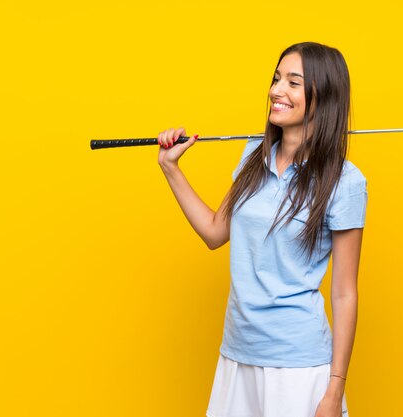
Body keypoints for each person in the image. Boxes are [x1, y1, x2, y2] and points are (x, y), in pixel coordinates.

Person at [156, 42, 367, 417]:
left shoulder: (345, 182)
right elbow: (214, 233)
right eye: (275, 79)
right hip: (237, 354)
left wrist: (335, 390)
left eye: (293, 82)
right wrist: (171, 168)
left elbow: (344, 294)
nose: (276, 91)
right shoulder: (254, 156)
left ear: (324, 96)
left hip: (298, 365)